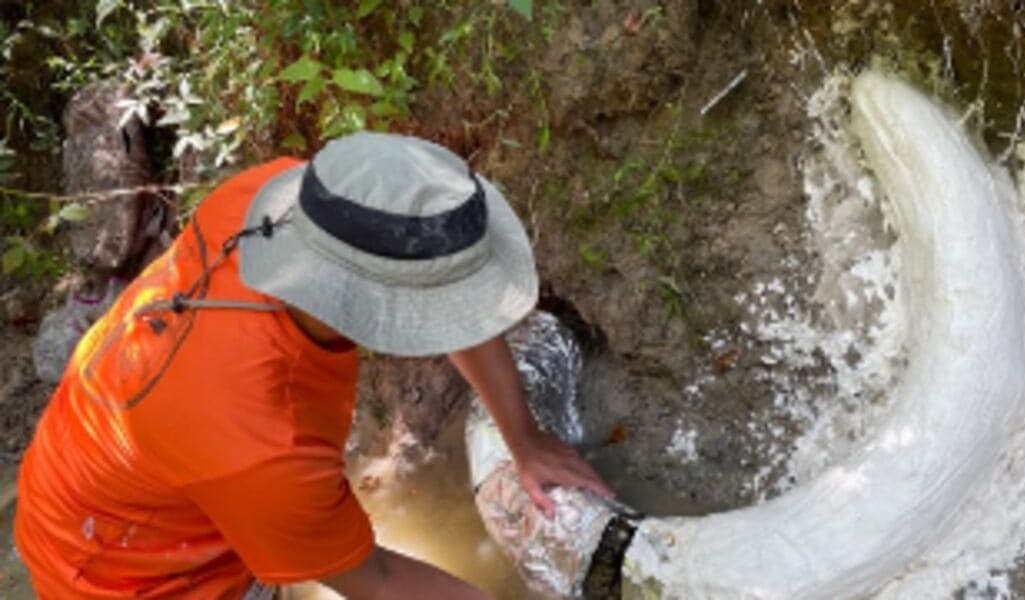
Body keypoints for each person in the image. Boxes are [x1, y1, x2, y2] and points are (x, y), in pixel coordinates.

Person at [14, 132, 613, 599]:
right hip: (119, 570)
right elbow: (374, 580)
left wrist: (525, 440)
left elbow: (437, 289)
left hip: (104, 450)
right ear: (386, 311)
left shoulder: (286, 202)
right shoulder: (261, 439)